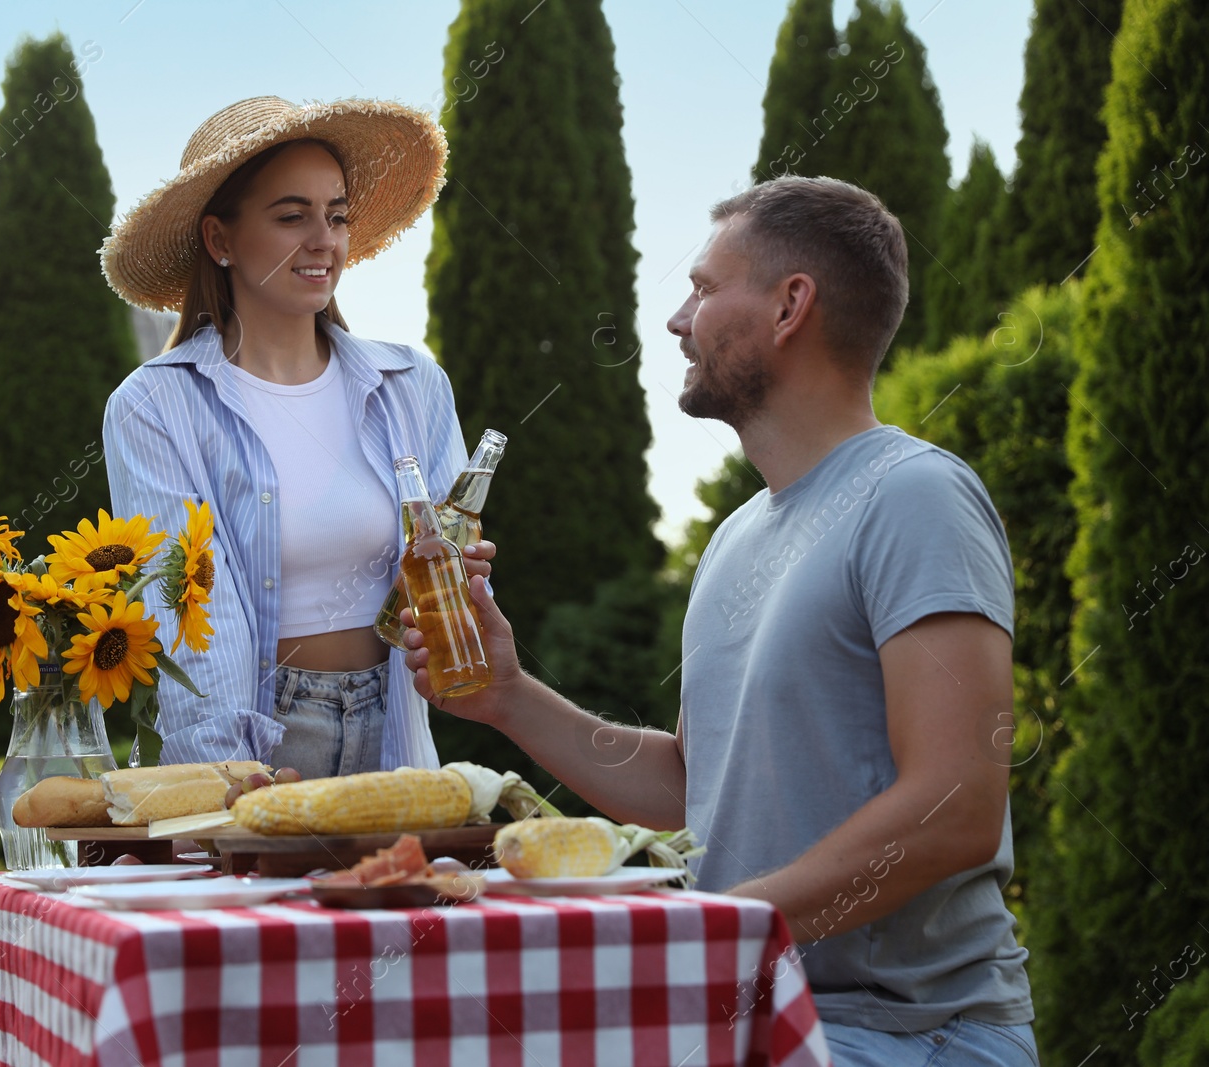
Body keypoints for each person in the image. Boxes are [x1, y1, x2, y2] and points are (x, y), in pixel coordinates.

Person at [402, 177, 1038, 1065]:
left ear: (790, 305)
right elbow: (693, 786)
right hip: (752, 1016)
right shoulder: (739, 536)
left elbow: (957, 805)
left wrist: (715, 928)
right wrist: (510, 697)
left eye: (703, 288)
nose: (676, 320)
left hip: (905, 1036)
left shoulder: (916, 497)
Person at [99, 96, 493, 778]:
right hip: (255, 739)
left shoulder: (411, 384)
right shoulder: (158, 406)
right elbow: (191, 617)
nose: (325, 240)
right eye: (291, 216)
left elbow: (448, 583)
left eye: (337, 215)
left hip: (394, 728)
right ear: (219, 240)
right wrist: (226, 783)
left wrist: (460, 585)